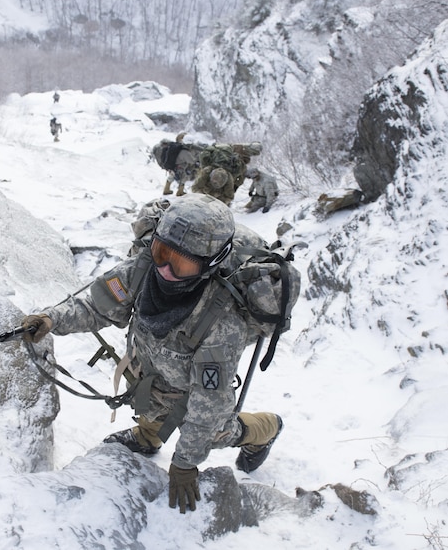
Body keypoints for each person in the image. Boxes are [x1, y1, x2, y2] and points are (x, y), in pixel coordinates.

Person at [21, 194, 283, 514]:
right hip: (151, 363)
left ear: (211, 263)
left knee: (214, 430)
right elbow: (97, 303)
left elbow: (208, 402)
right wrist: (52, 319)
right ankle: (148, 436)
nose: (166, 270)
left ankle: (265, 429)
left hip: (194, 386)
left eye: (182, 262)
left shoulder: (222, 322)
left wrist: (185, 463)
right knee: (145, 393)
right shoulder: (145, 266)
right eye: (162, 253)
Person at [191, 142, 261, 205]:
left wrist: (219, 204)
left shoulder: (230, 178)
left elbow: (229, 196)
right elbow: (195, 188)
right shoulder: (206, 172)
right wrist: (201, 198)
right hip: (224, 154)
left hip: (231, 159)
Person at [159, 133, 198, 197]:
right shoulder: (185, 152)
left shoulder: (176, 148)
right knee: (183, 178)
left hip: (173, 166)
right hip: (180, 168)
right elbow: (192, 161)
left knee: (171, 177)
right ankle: (180, 192)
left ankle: (166, 189)